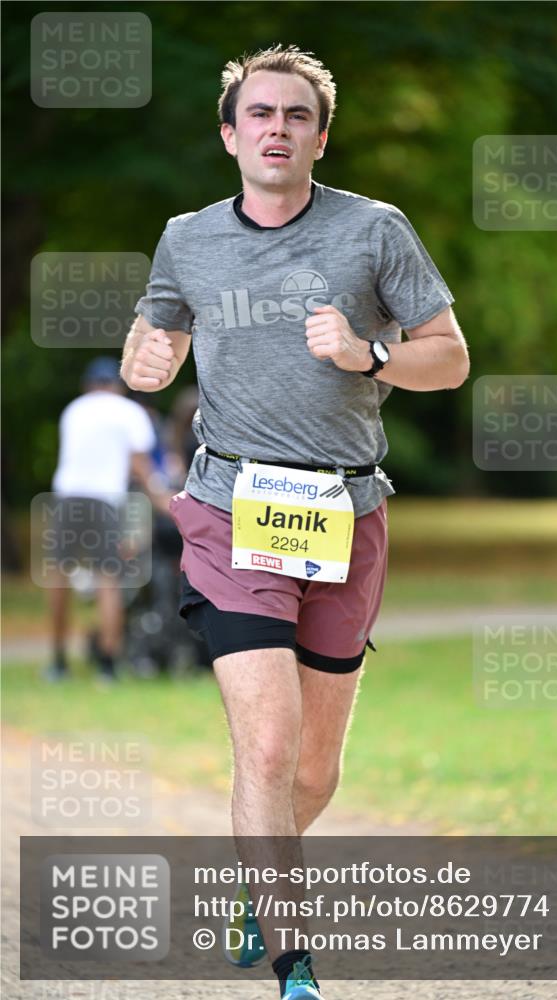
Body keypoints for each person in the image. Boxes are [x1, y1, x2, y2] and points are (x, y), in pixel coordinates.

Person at [121, 44, 469, 1000]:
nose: (278, 128)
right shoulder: (187, 237)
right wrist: (145, 359)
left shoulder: (374, 231)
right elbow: (158, 330)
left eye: (297, 115)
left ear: (321, 135)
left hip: (344, 512)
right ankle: (294, 962)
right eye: (260, 114)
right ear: (230, 134)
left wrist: (369, 355)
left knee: (314, 771)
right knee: (267, 749)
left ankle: (254, 880)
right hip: (231, 509)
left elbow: (448, 357)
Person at [47, 357, 170, 682]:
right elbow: (142, 467)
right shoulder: (129, 412)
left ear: (88, 385)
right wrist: (164, 500)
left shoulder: (73, 409)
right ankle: (108, 664)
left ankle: (58, 662)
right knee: (107, 579)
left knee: (60, 578)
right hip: (104, 500)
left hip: (66, 496)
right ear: (117, 386)